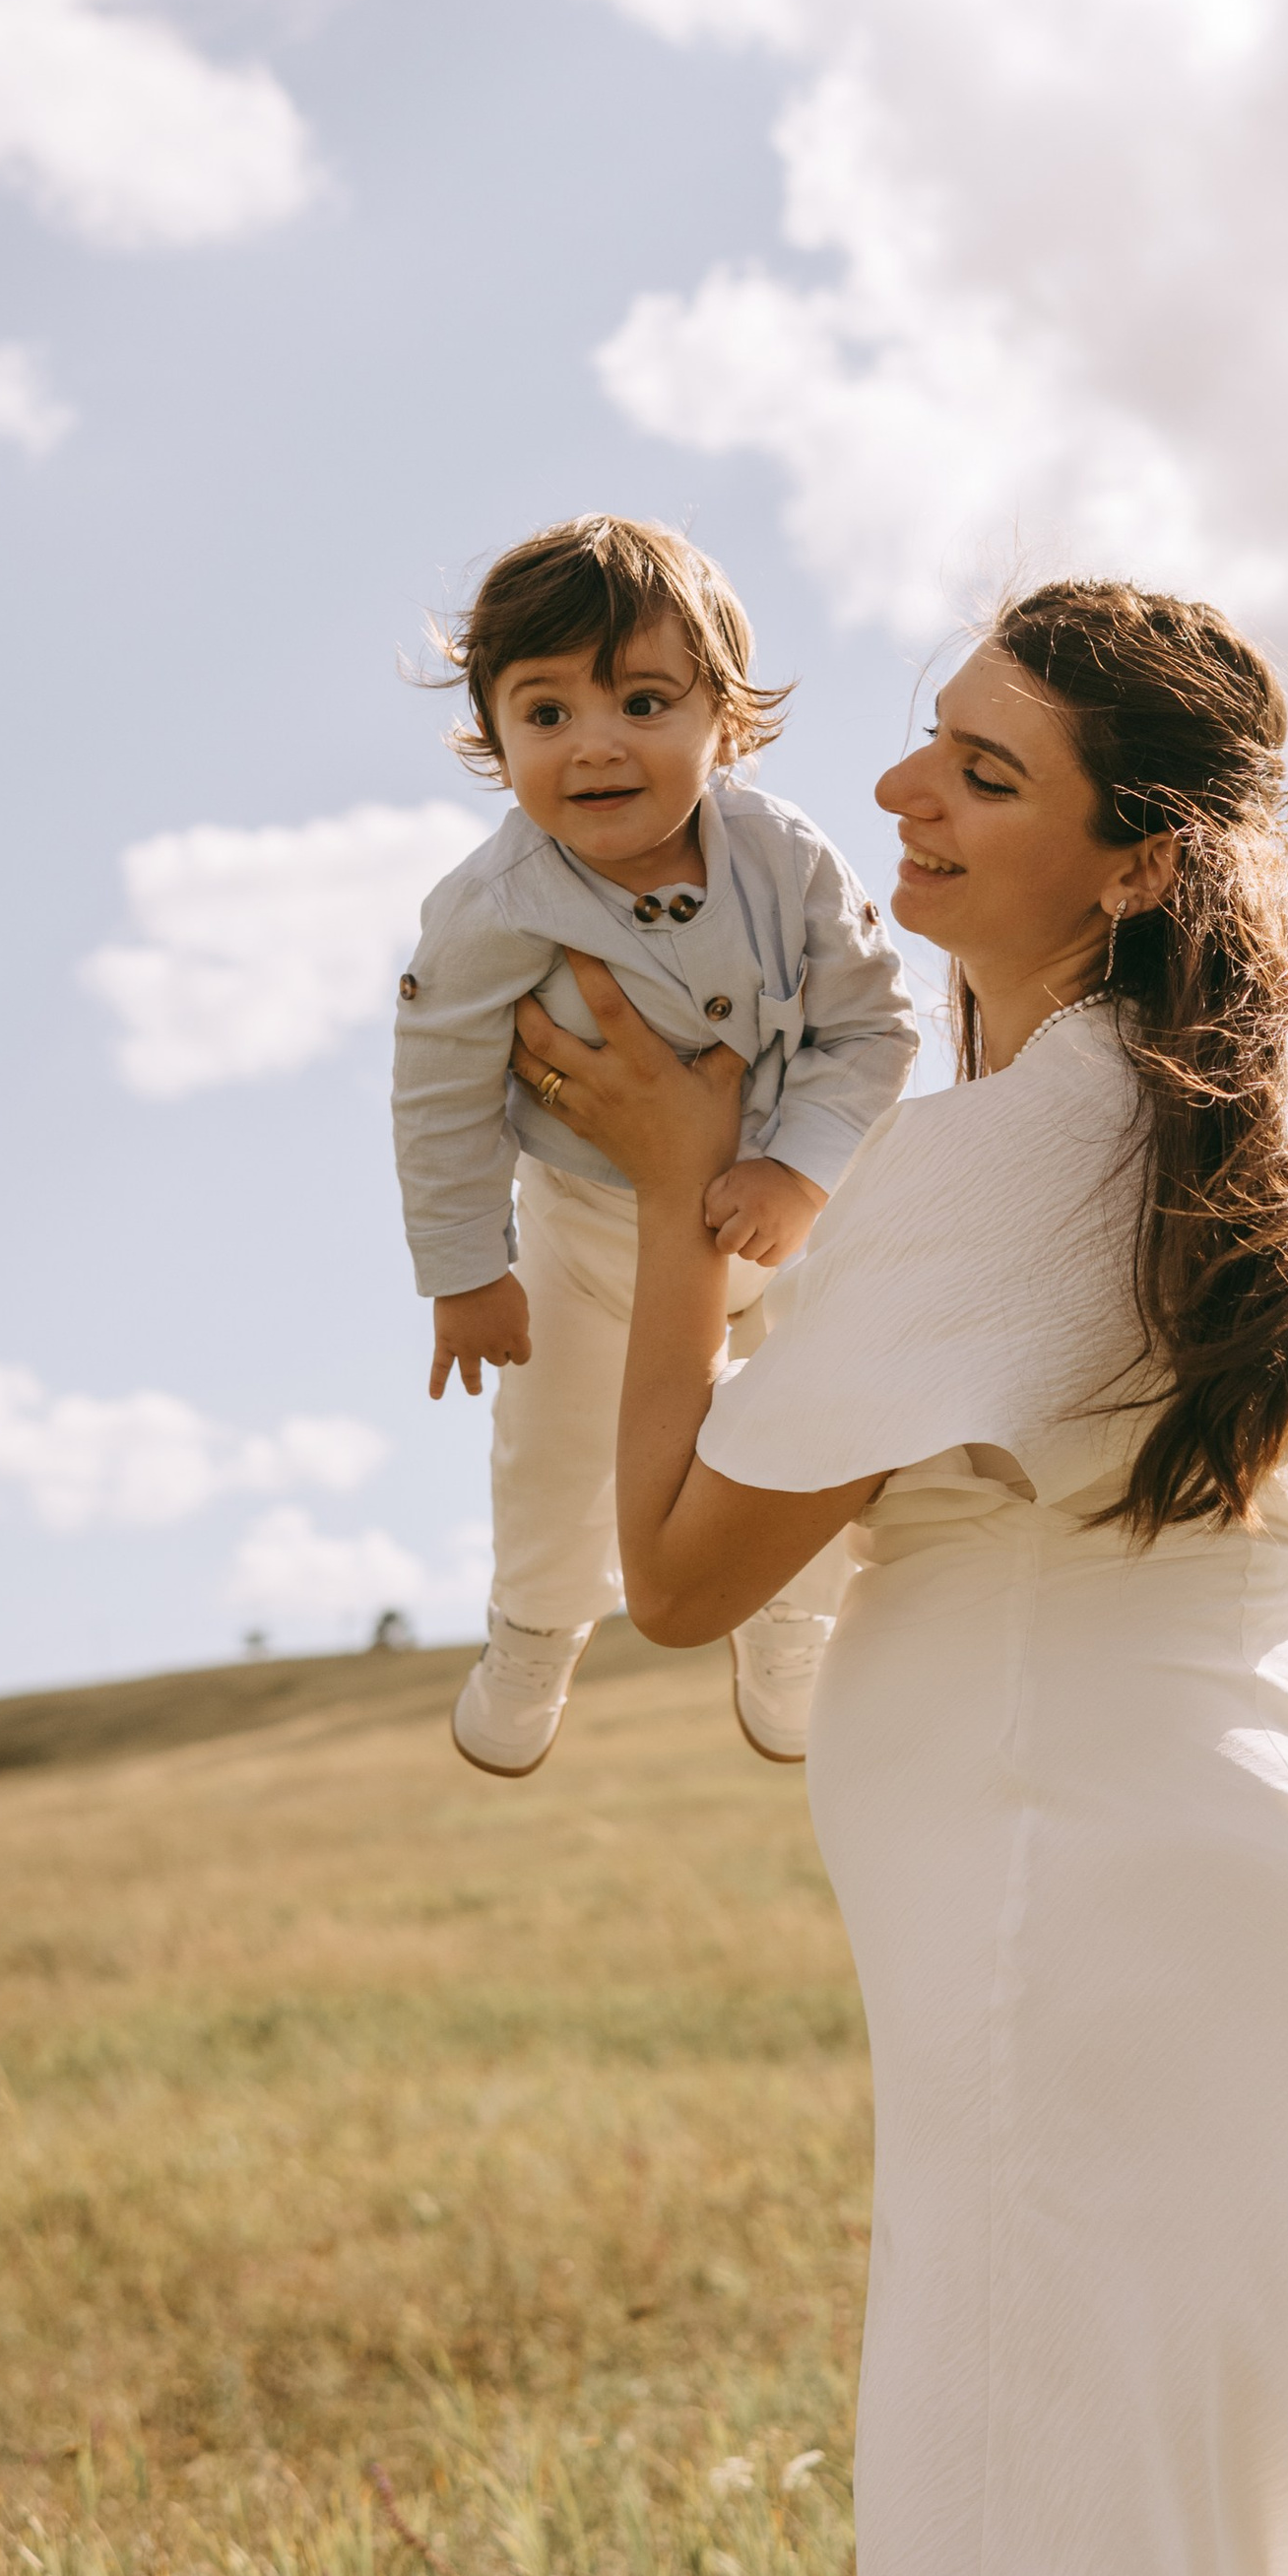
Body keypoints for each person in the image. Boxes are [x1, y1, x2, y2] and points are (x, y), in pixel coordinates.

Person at [512, 577, 1288, 2576]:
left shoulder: (1016, 1144)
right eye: (928, 737)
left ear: (1132, 861)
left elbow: (678, 1572)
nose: (900, 790)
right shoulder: (1198, 1126)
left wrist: (663, 1195)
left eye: (982, 772)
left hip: (1109, 1927)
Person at [393, 515, 918, 1775]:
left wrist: (799, 1168)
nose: (596, 745)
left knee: (805, 1432)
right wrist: (467, 1270)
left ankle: (791, 1628)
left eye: (640, 700)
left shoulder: (785, 859)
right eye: (547, 714)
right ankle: (533, 1636)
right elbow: (439, 1088)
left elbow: (872, 1024)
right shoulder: (489, 909)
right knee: (557, 1454)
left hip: (786, 1224)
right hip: (588, 1237)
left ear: (724, 722)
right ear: (495, 739)